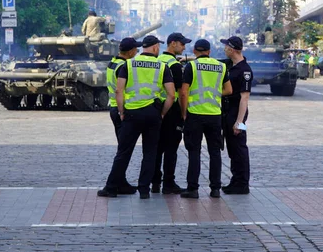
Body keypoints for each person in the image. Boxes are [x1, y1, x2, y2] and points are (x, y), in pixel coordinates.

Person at [98, 35, 176, 199]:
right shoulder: (162, 67)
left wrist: (121, 111)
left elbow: (119, 91)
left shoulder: (128, 64)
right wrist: (162, 113)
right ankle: (144, 190)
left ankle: (111, 187)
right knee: (150, 153)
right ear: (155, 48)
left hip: (131, 113)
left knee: (124, 152)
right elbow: (171, 95)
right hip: (153, 114)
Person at [178, 39, 231, 199]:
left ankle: (193, 189)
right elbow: (229, 89)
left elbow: (183, 92)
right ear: (209, 51)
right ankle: (215, 189)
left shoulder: (191, 66)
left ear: (194, 51)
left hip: (195, 114)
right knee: (215, 152)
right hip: (214, 115)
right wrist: (213, 94)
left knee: (194, 152)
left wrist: (183, 112)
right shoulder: (221, 67)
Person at [152, 32, 192, 195]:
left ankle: (155, 183)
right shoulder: (174, 66)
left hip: (155, 109)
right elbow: (180, 92)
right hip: (171, 112)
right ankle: (168, 183)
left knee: (156, 148)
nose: (184, 47)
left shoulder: (158, 60)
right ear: (173, 43)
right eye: (182, 44)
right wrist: (183, 114)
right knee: (171, 149)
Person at [106, 37, 143, 195]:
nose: (137, 51)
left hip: (113, 107)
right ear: (129, 52)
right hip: (122, 109)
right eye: (135, 49)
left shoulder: (113, 62)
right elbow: (121, 90)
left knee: (123, 148)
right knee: (124, 151)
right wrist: (123, 112)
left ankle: (121, 182)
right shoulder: (124, 66)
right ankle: (112, 185)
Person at [220, 36, 253, 195]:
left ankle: (242, 183)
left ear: (232, 49)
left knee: (239, 148)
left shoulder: (244, 70)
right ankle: (236, 180)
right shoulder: (230, 65)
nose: (224, 49)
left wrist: (239, 122)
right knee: (232, 148)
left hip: (237, 114)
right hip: (227, 111)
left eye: (226, 46)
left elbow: (244, 98)